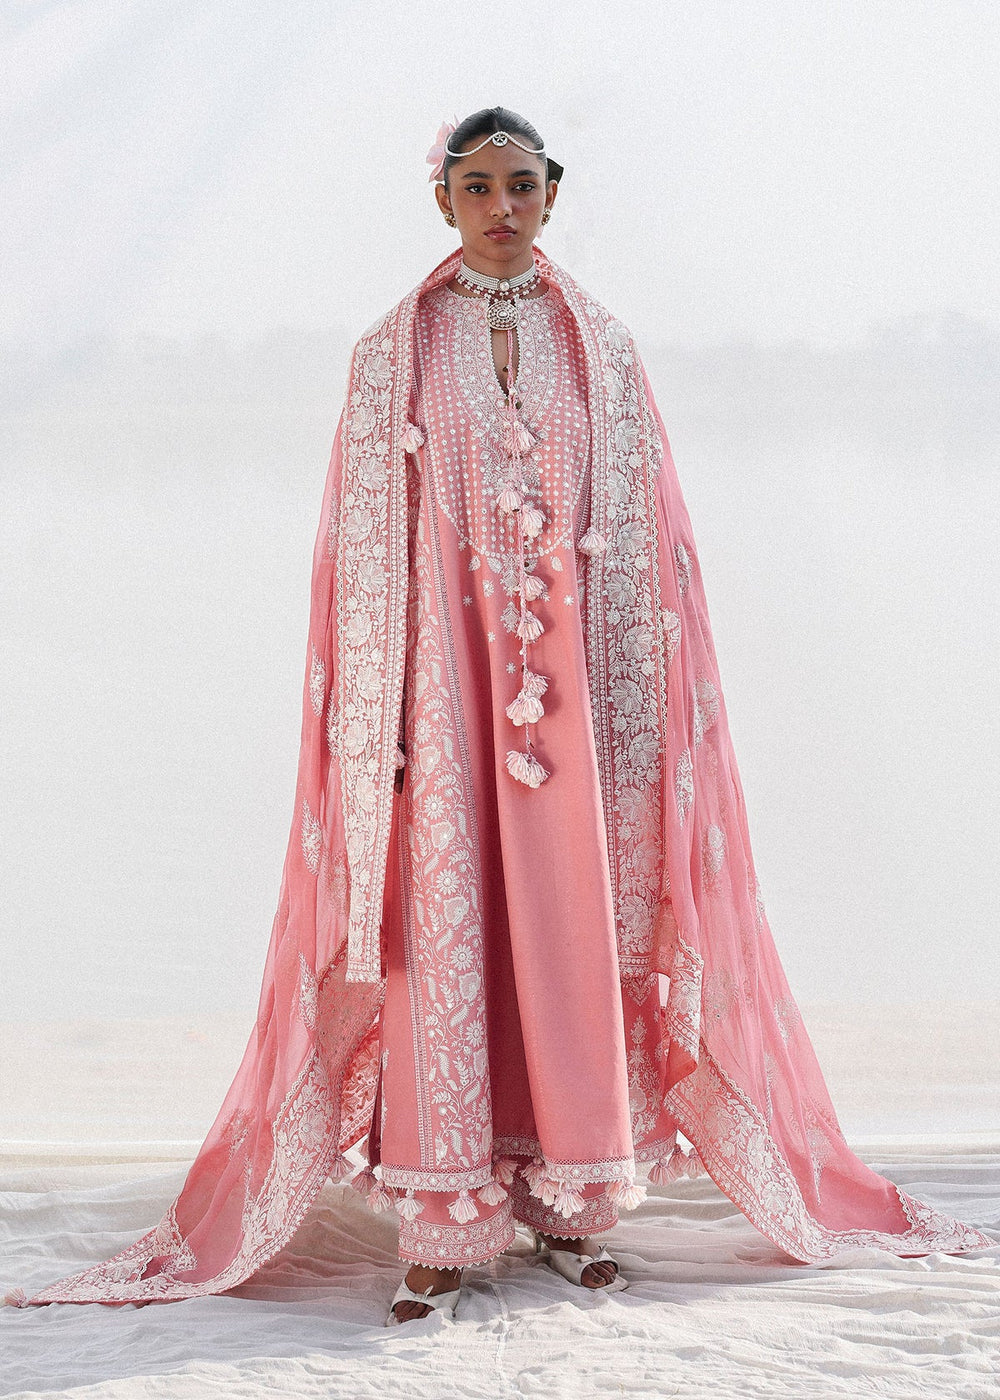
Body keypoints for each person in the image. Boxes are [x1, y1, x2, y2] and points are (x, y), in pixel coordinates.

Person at [9, 106, 993, 1324]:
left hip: (578, 701)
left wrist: (642, 715)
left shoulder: (603, 347)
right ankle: (446, 1218)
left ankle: (572, 1203)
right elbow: (359, 550)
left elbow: (653, 540)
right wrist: (380, 723)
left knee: (573, 926)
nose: (501, 208)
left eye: (521, 185)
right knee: (443, 934)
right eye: (477, 187)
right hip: (441, 700)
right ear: (443, 200)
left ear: (551, 194)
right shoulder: (394, 352)